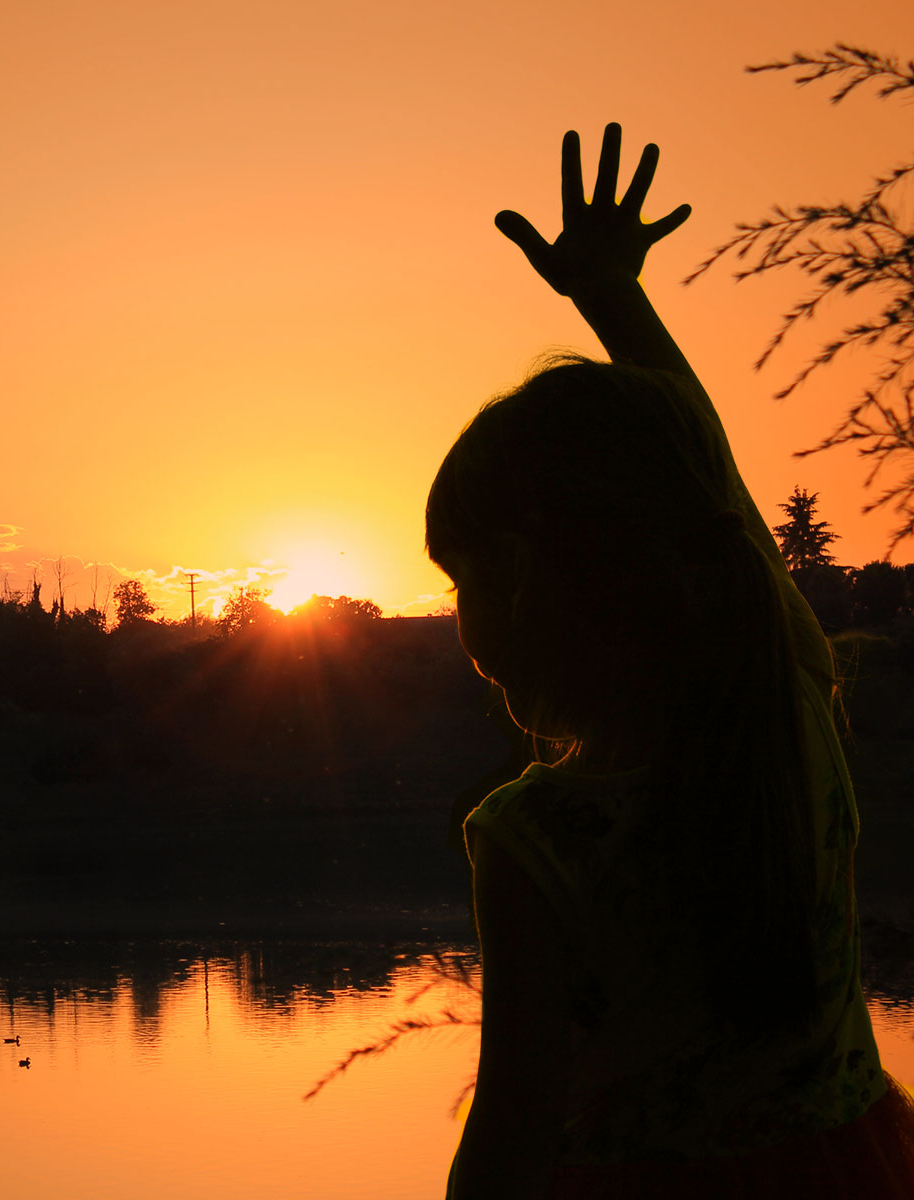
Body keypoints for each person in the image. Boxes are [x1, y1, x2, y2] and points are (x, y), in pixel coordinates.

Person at [432, 124, 914, 1197]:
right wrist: (611, 298)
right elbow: (710, 489)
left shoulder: (537, 840)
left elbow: (511, 1132)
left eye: (459, 581)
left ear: (520, 579)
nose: (462, 633)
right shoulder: (791, 706)